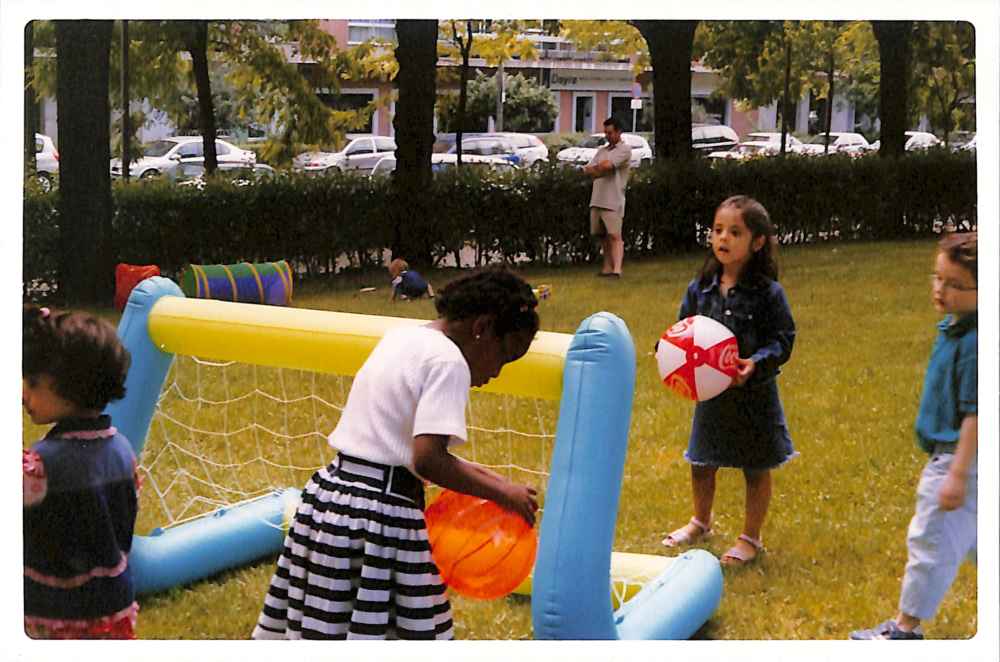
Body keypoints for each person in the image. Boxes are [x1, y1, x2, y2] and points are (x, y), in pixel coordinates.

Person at [252, 266, 540, 640]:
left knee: (329, 622)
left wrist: (499, 481)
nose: (498, 371)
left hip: (331, 499)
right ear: (482, 328)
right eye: (504, 355)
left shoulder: (403, 337)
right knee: (413, 631)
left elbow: (400, 448)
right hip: (381, 515)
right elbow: (428, 459)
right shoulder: (449, 362)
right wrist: (500, 492)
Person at [850, 232, 977, 640]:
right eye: (938, 278)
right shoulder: (957, 328)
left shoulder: (976, 343)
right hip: (954, 456)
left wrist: (957, 474)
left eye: (956, 284)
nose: (942, 289)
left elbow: (978, 412)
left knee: (930, 539)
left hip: (958, 457)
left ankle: (905, 630)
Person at [660, 195, 796, 566]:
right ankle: (700, 522)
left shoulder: (768, 293)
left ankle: (750, 538)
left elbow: (783, 340)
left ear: (757, 242)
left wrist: (755, 363)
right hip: (711, 395)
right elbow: (681, 331)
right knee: (701, 460)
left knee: (756, 465)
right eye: (718, 230)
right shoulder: (700, 289)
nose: (723, 238)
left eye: (735, 232)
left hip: (754, 396)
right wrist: (667, 351)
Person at [22, 305, 138, 639]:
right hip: (114, 605)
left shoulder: (42, 466)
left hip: (54, 613)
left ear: (68, 386)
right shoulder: (123, 451)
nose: (23, 392)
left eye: (33, 381)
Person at [583, 117, 632, 279]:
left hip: (613, 199)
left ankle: (617, 270)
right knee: (601, 236)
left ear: (618, 132)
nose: (607, 136)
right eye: (605, 133)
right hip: (597, 198)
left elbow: (607, 166)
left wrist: (599, 168)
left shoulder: (624, 150)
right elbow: (589, 170)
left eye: (610, 133)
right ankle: (607, 268)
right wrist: (598, 169)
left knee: (614, 235)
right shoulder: (602, 151)